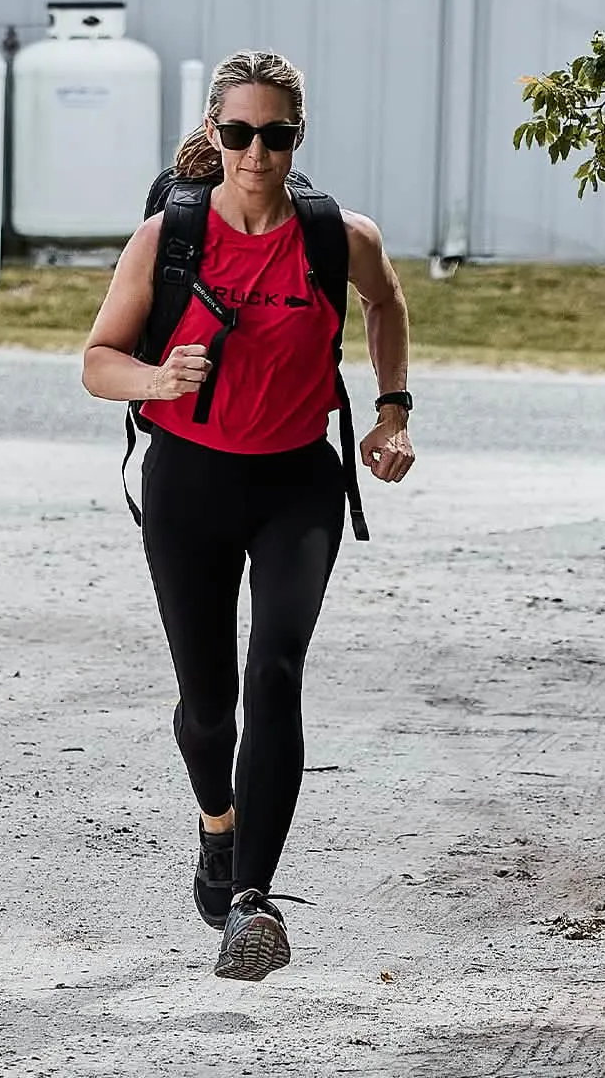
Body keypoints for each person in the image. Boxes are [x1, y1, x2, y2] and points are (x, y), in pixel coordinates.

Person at [81, 49, 415, 982]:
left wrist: (393, 411)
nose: (256, 153)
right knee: (206, 703)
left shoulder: (336, 237)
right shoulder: (168, 238)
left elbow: (387, 304)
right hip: (187, 485)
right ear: (215, 133)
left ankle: (251, 902)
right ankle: (217, 823)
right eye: (238, 133)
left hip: (294, 486)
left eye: (274, 135)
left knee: (274, 671)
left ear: (296, 137)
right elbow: (97, 359)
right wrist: (157, 377)